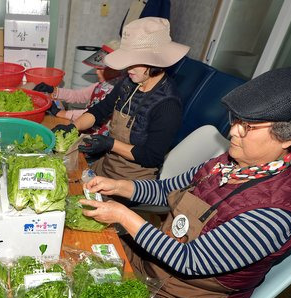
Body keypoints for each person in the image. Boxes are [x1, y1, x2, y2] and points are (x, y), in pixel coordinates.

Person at [81, 66, 291, 298]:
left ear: (288, 137)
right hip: (155, 267)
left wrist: (124, 216)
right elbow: (167, 190)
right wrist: (119, 186)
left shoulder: (276, 213)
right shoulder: (225, 164)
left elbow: (190, 260)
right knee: (80, 254)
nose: (233, 132)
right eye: (235, 120)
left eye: (248, 127)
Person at [53, 17, 189, 181]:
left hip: (133, 182)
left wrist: (110, 144)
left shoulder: (168, 105)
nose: (127, 68)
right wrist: (74, 127)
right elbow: (99, 110)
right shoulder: (128, 83)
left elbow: (151, 157)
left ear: (155, 63)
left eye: (133, 63)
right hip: (107, 166)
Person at [33, 39, 123, 135]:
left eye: (101, 69)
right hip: (84, 128)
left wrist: (61, 113)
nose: (97, 72)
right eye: (97, 68)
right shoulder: (100, 85)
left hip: (99, 137)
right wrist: (53, 90)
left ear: (115, 69)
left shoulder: (118, 91)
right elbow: (78, 95)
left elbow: (91, 114)